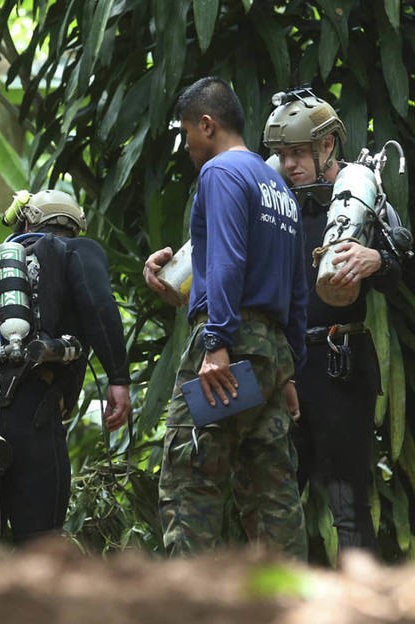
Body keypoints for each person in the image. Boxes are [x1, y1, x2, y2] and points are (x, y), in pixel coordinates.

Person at [144, 76, 308, 559]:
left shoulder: (219, 173)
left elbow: (229, 261)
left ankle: (185, 606)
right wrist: (289, 369)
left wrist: (216, 341)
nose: (188, 146)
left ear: (207, 124)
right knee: (272, 497)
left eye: (188, 132)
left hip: (229, 346)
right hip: (272, 356)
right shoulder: (277, 184)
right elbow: (297, 286)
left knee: (190, 483)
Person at [0, 189, 132, 543]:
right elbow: (99, 306)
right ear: (74, 225)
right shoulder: (78, 250)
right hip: (31, 409)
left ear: (26, 221)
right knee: (40, 541)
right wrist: (118, 378)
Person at [262, 88, 402, 558]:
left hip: (340, 364)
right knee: (274, 506)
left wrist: (376, 258)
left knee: (348, 504)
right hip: (282, 367)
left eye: (298, 152)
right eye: (282, 155)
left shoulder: (362, 195)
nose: (289, 164)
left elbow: (407, 259)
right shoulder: (276, 200)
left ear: (327, 146)